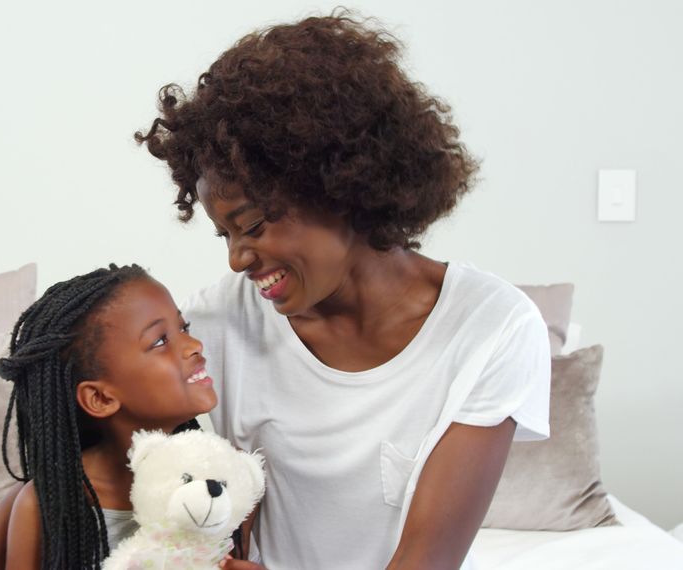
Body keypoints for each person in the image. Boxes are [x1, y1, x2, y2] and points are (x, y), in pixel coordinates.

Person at [134, 10, 550, 570]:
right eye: (225, 234)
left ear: (341, 188)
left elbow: (427, 560)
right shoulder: (216, 323)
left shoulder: (491, 328)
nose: (236, 259)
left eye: (253, 226)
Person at [0, 264, 232, 569]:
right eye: (159, 341)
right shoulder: (44, 507)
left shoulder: (219, 482)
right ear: (100, 398)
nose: (194, 346)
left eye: (184, 328)